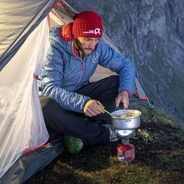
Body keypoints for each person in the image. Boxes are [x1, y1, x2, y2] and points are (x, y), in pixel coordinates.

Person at [37, 10, 136, 150]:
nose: (92, 45)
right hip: (57, 100)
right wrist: (83, 103)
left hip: (80, 93)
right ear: (75, 36)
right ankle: (100, 134)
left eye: (96, 40)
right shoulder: (55, 47)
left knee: (116, 82)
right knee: (44, 106)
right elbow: (49, 89)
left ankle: (76, 127)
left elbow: (126, 65)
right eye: (87, 39)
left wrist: (125, 91)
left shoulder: (97, 47)